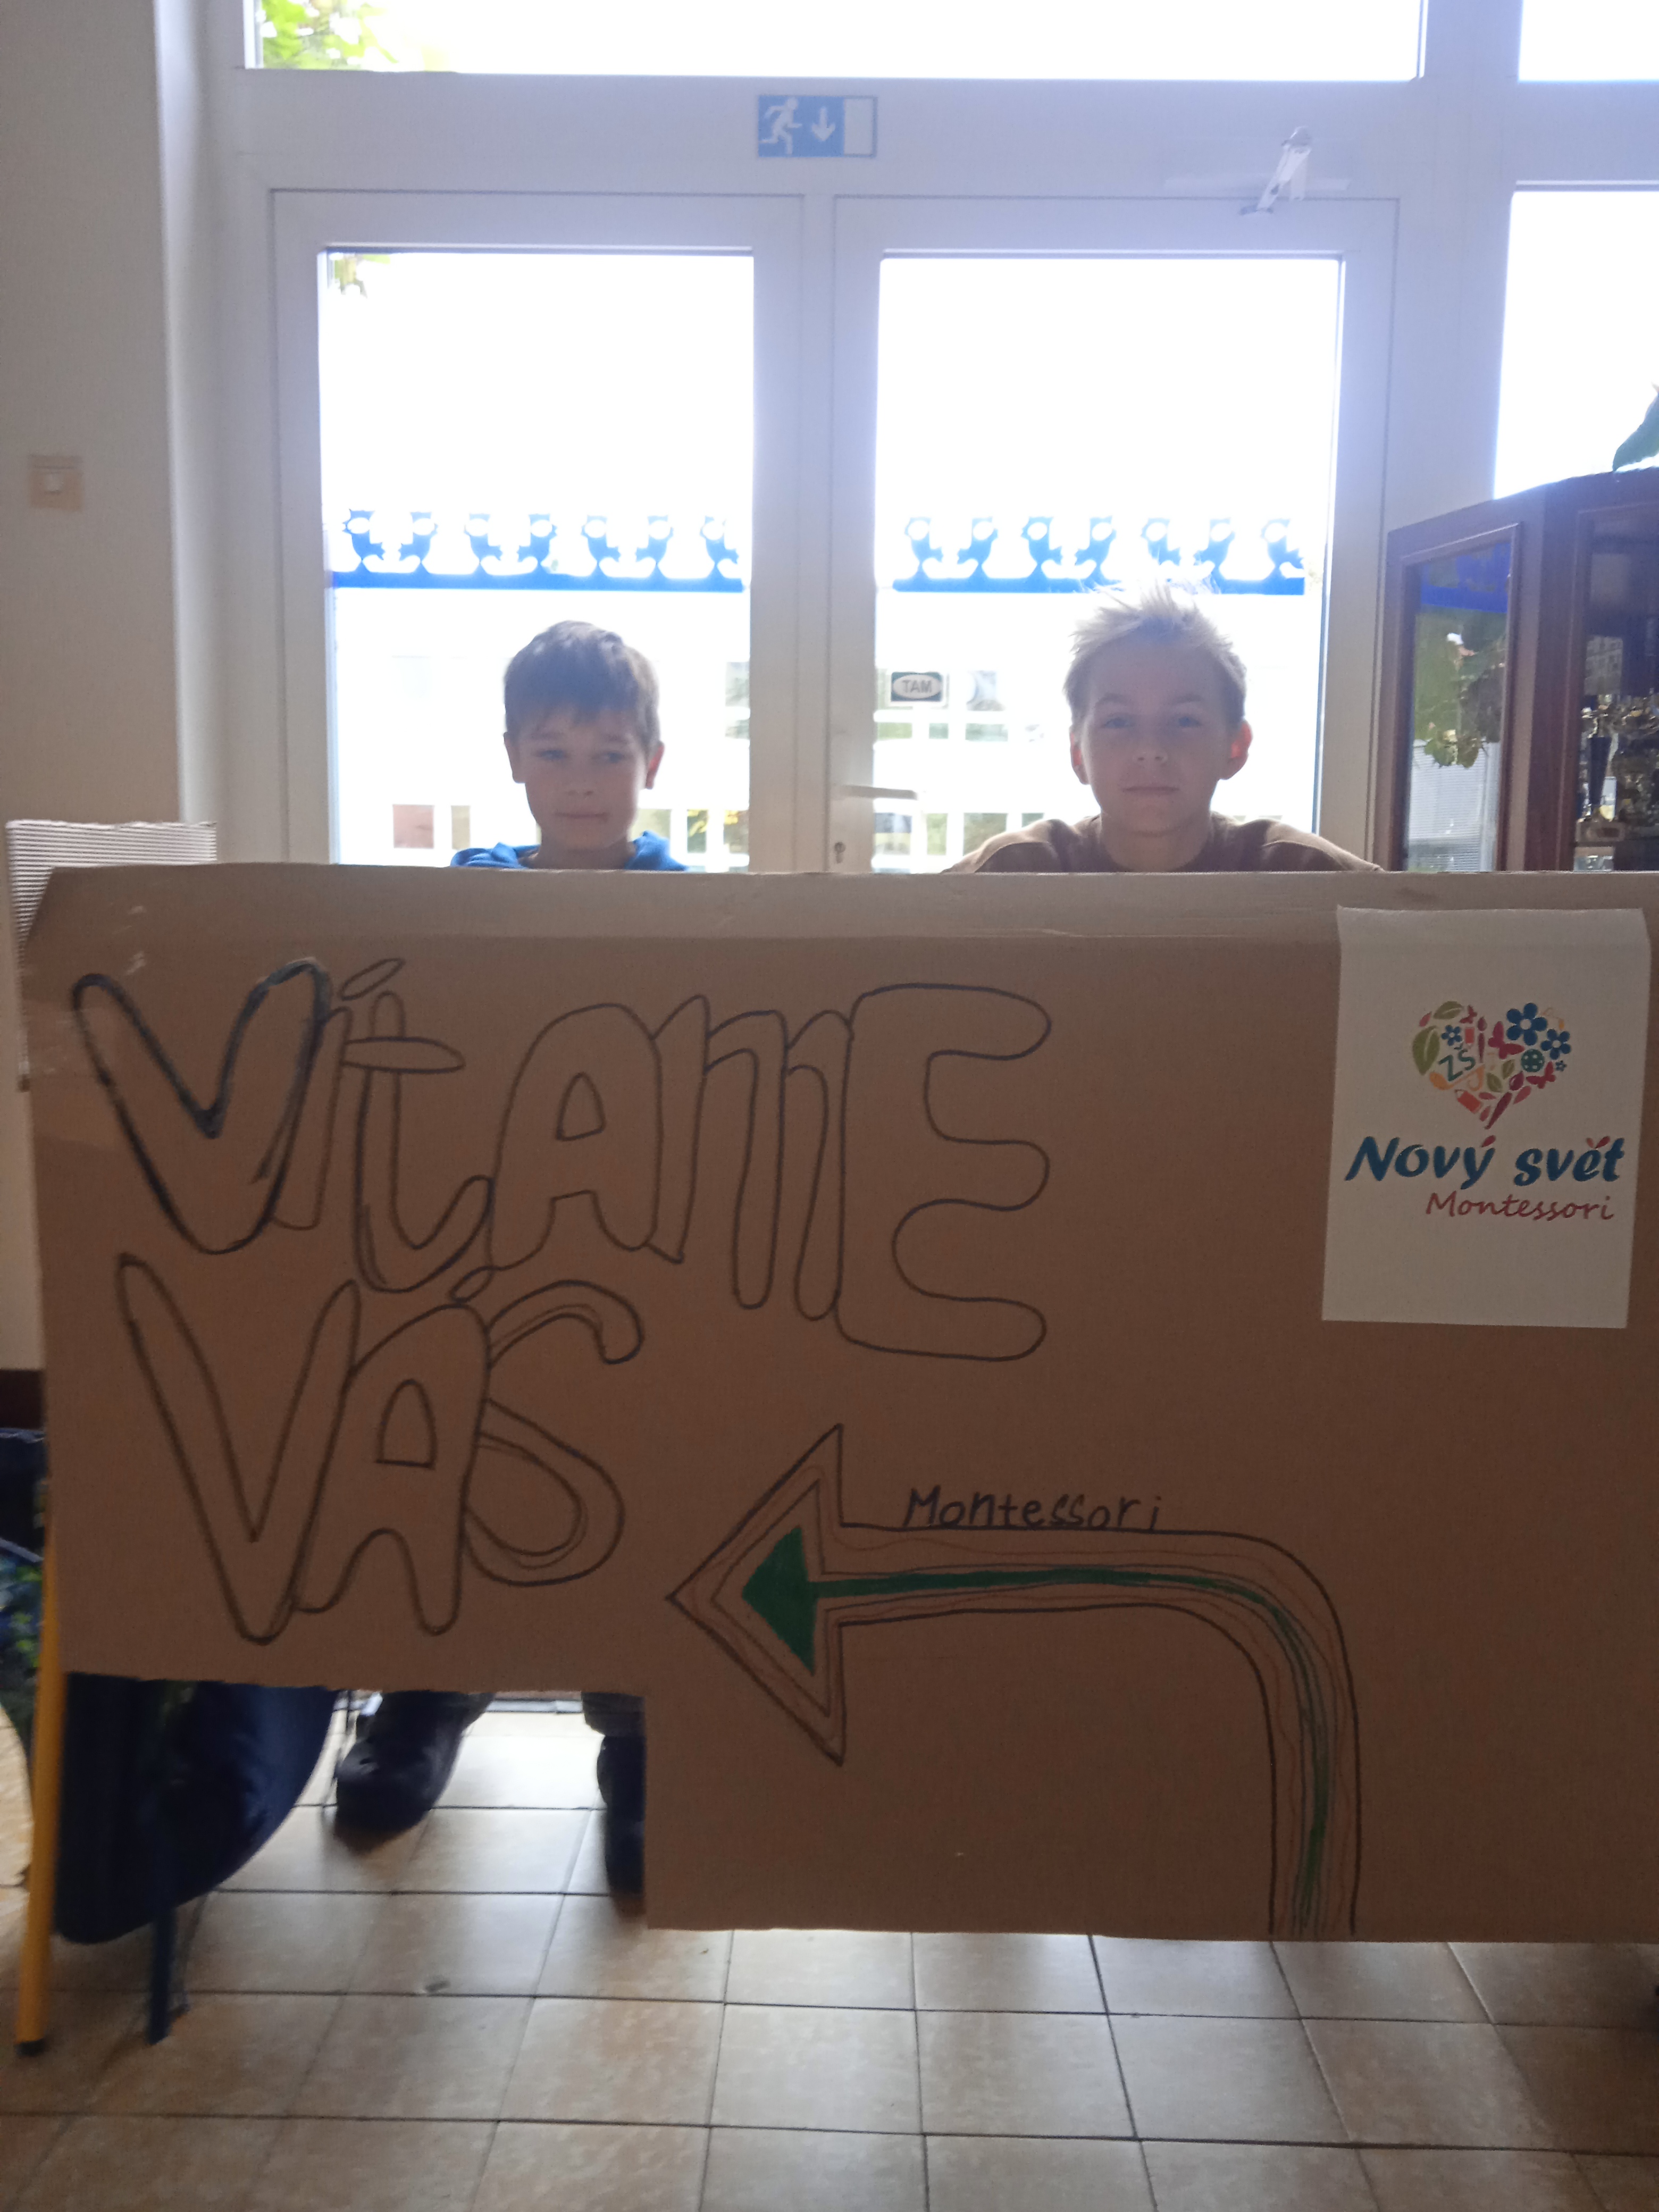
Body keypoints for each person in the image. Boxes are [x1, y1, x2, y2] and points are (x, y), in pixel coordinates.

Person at [337, 619, 678, 1888]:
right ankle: (429, 1691)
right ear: (514, 760)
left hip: (641, 1256)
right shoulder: (457, 902)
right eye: (556, 752)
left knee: (637, 1477)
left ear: (652, 762)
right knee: (449, 1457)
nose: (583, 780)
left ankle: (638, 1736)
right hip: (475, 1250)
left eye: (609, 753)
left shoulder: (697, 912)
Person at [950, 584, 1378, 877]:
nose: (1150, 748)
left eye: (1184, 721)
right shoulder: (1009, 875)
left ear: (1235, 747)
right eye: (1118, 722)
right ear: (1078, 753)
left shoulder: (1307, 877)